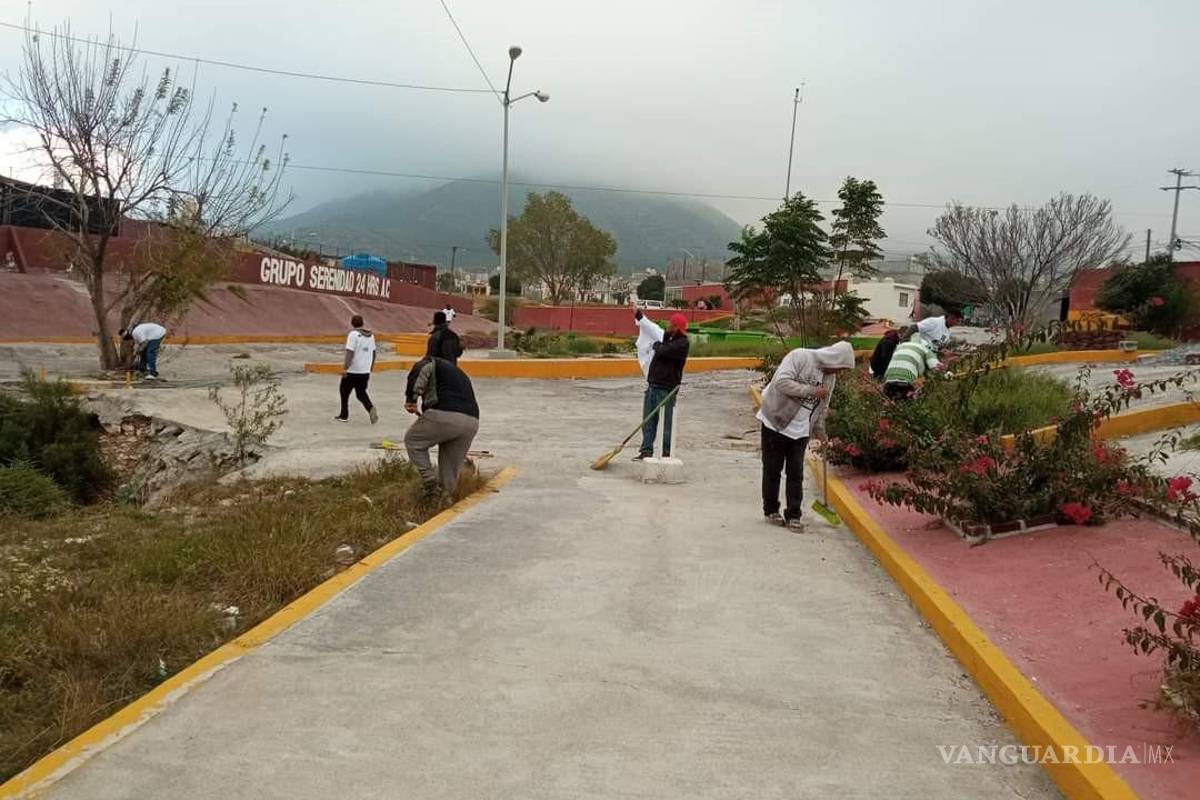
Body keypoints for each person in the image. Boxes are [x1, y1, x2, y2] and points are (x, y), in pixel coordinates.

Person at [757, 341, 856, 531]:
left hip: (801, 430)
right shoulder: (800, 356)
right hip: (775, 421)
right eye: (840, 367)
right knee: (772, 469)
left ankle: (794, 515)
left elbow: (821, 407)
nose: (839, 372)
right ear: (833, 359)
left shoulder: (830, 379)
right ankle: (771, 510)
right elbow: (781, 382)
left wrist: (821, 432)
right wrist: (811, 390)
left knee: (796, 473)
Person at [404, 356, 480, 498]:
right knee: (449, 469)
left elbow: (420, 372)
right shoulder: (458, 373)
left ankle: (430, 482)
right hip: (472, 422)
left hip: (445, 414)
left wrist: (411, 400)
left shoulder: (429, 362)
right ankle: (443, 500)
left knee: (413, 440)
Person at [634, 310, 690, 461]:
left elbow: (664, 350)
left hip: (667, 389)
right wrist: (639, 315)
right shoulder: (667, 338)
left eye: (671, 324)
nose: (667, 326)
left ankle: (666, 453)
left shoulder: (682, 344)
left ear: (677, 327)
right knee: (648, 421)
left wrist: (657, 344)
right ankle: (646, 450)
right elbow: (652, 329)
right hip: (653, 386)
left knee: (667, 423)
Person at [334, 315, 378, 424]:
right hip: (365, 371)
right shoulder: (371, 336)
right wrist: (370, 367)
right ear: (362, 323)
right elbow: (373, 353)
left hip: (353, 370)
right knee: (361, 393)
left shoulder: (353, 335)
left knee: (344, 392)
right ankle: (370, 408)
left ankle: (344, 415)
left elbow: (350, 352)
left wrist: (345, 368)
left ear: (352, 323)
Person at [882, 329, 941, 400]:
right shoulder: (926, 349)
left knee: (890, 401)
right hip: (906, 381)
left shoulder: (900, 346)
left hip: (888, 380)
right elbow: (937, 368)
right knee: (909, 402)